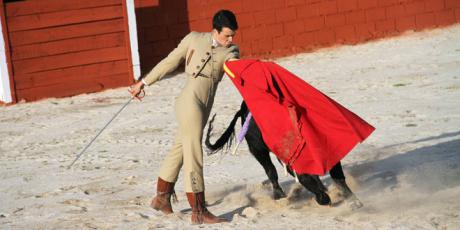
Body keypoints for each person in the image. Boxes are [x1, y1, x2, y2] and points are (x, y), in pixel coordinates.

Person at [128, 9, 239, 224]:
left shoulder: (232, 51)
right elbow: (170, 62)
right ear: (215, 30)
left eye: (233, 35)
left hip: (202, 108)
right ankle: (198, 210)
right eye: (226, 35)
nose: (230, 40)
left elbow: (236, 68)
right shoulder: (194, 38)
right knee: (193, 152)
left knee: (180, 148)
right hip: (188, 102)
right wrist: (143, 83)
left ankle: (162, 198)